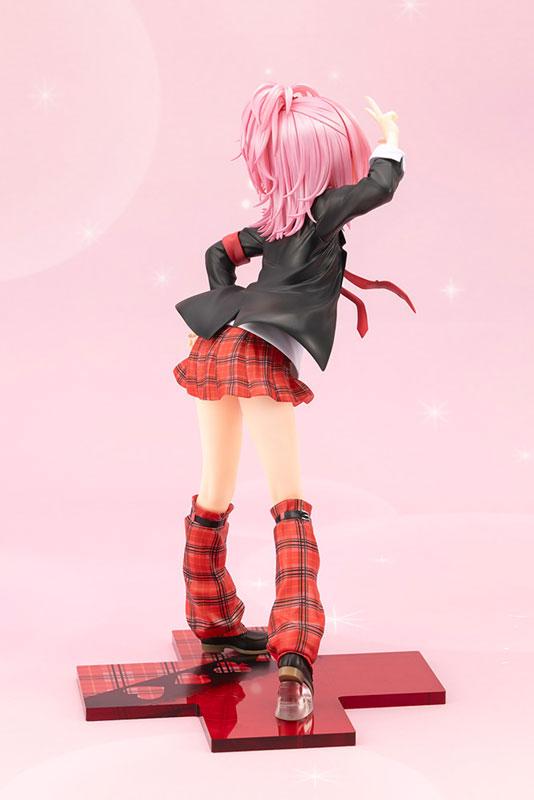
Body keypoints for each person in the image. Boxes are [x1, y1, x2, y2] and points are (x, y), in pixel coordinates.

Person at [172, 83, 414, 721]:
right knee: (289, 503)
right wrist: (390, 140)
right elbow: (380, 186)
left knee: (215, 488)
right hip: (258, 351)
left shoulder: (272, 223)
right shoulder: (321, 210)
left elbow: (217, 253)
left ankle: (213, 621)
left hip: (214, 341)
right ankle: (294, 658)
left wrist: (225, 303)